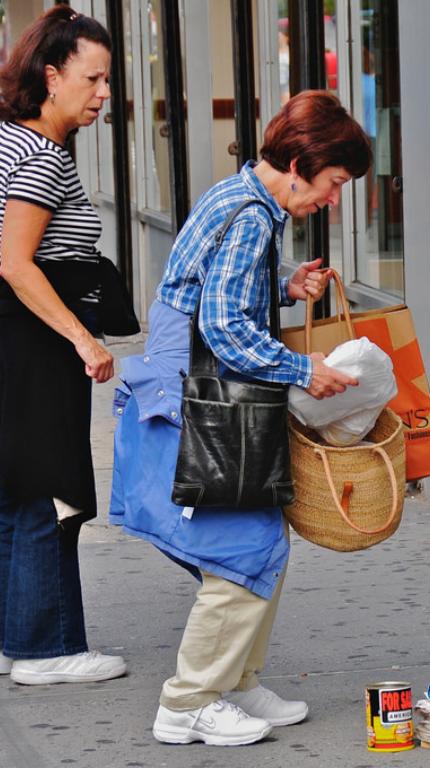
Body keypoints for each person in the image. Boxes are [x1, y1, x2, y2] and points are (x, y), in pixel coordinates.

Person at [110, 90, 372, 747]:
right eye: (335, 182)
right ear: (300, 165)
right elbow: (225, 327)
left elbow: (209, 290)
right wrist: (303, 369)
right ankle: (189, 702)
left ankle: (234, 681)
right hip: (202, 403)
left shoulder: (240, 197)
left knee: (257, 540)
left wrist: (284, 286)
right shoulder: (253, 217)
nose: (333, 198)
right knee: (243, 547)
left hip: (192, 397)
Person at [0, 6, 128, 686]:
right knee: (51, 488)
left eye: (107, 79)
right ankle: (46, 649)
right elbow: (15, 263)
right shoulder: (41, 156)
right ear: (51, 76)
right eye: (93, 78)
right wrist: (83, 339)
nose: (103, 93)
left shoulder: (7, 141)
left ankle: (17, 638)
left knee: (16, 490)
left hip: (16, 341)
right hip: (37, 344)